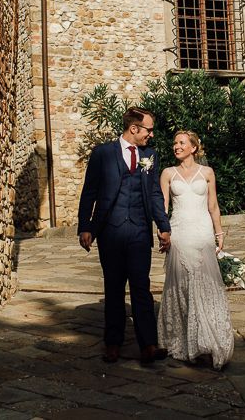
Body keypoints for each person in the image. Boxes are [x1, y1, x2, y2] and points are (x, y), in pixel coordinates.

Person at [77, 107, 171, 365]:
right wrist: (85, 226)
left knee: (141, 287)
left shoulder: (149, 155)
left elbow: (153, 193)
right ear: (134, 129)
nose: (151, 135)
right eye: (148, 130)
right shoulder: (103, 153)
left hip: (140, 231)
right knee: (114, 288)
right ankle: (113, 344)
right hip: (111, 231)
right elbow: (90, 192)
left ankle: (148, 345)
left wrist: (163, 225)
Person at [157, 131, 234, 369]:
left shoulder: (207, 173)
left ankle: (210, 339)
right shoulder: (168, 173)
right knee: (181, 285)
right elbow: (162, 206)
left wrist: (219, 234)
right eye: (174, 143)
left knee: (206, 284)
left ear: (193, 147)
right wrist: (162, 232)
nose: (176, 146)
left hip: (202, 233)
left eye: (181, 143)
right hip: (179, 234)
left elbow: (213, 206)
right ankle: (184, 340)